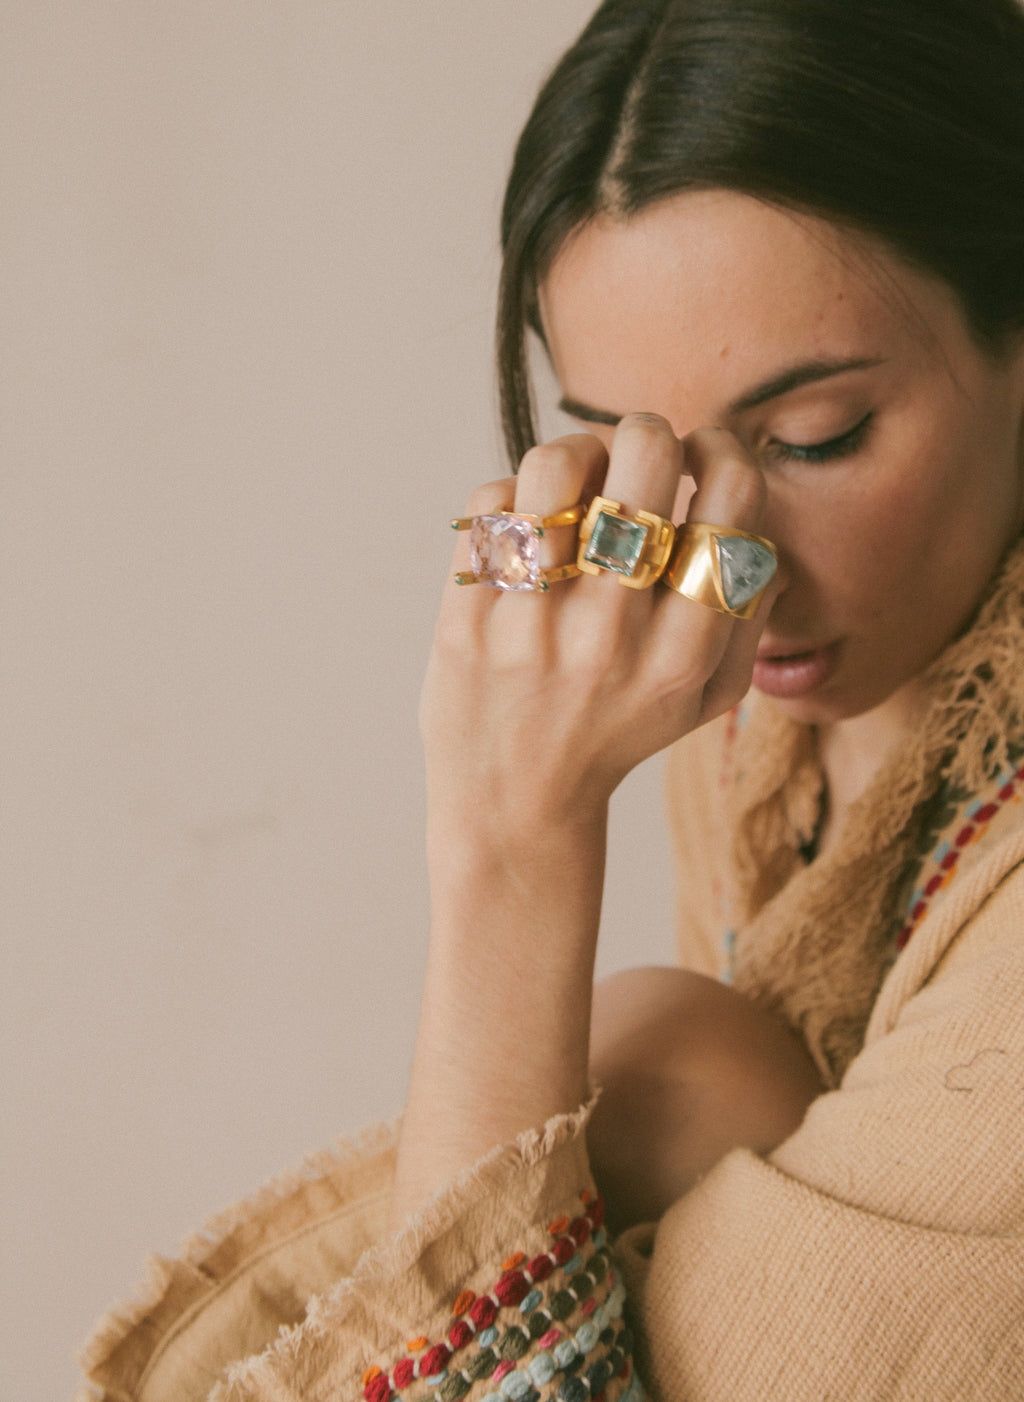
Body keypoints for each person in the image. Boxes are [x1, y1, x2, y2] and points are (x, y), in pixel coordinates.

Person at [77, 1, 1024, 1398]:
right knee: (692, 1065)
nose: (725, 570)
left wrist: (510, 850)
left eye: (817, 434)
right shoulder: (759, 722)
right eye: (627, 449)